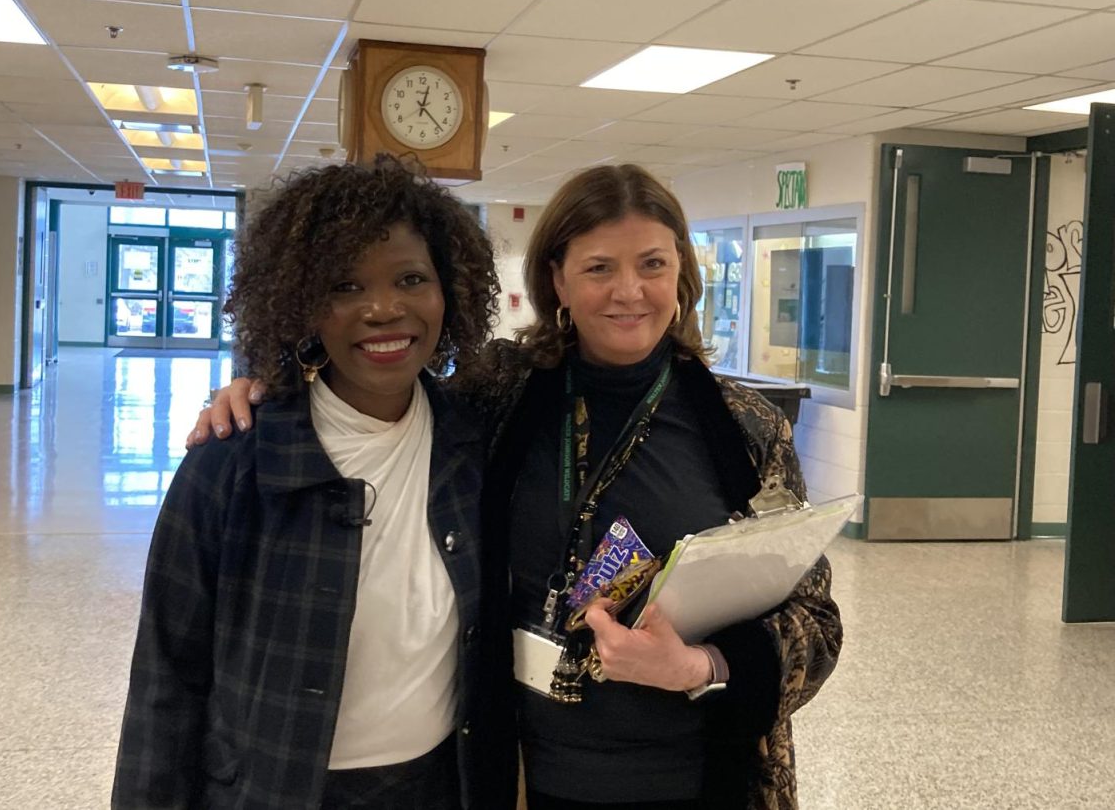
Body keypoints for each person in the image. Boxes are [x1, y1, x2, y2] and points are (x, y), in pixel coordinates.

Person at [194, 164, 842, 810]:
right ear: (556, 279)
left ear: (681, 276)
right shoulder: (495, 397)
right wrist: (273, 389)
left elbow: (815, 622)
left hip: (698, 780)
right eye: (598, 269)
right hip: (520, 774)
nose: (629, 291)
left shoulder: (744, 428)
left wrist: (701, 668)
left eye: (652, 264)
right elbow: (378, 391)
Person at [112, 158, 510, 810]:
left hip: (439, 785)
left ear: (449, 292)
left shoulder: (477, 443)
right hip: (274, 787)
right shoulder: (232, 464)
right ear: (298, 302)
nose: (384, 307)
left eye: (412, 279)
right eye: (345, 286)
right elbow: (166, 679)